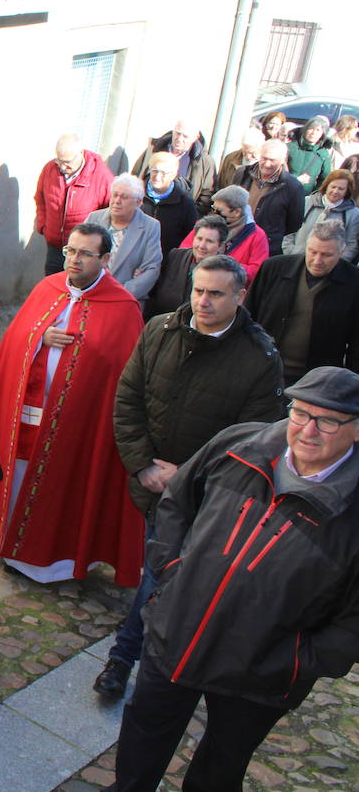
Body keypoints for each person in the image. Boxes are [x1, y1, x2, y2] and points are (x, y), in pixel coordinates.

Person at [108, 366, 359, 792]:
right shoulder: (241, 444)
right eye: (300, 412)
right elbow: (176, 501)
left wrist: (296, 660)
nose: (308, 430)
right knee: (144, 735)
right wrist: (170, 577)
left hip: (261, 669)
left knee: (221, 766)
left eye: (328, 421)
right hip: (180, 632)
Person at [96, 255, 284, 700]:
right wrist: (142, 463)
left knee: (161, 576)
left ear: (240, 296)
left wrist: (188, 478)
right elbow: (129, 399)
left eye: (216, 293)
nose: (203, 301)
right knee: (161, 574)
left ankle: (125, 660)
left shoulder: (260, 358)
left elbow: (254, 441)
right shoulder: (160, 330)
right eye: (198, 290)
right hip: (153, 479)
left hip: (206, 494)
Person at [0, 223, 144, 587]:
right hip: (27, 409)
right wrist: (39, 338)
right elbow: (12, 343)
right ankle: (8, 545)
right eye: (70, 251)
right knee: (17, 475)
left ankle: (52, 563)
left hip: (76, 423)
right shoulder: (47, 288)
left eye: (85, 254)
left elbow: (122, 372)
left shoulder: (122, 307)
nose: (74, 260)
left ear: (105, 258)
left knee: (60, 489)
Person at [246, 220, 359, 384]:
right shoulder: (274, 268)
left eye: (327, 255)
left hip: (317, 380)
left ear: (342, 252)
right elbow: (247, 316)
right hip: (263, 368)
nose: (317, 261)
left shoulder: (353, 283)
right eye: (312, 252)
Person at [33, 134, 113, 276]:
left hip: (83, 249)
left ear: (81, 153)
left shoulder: (101, 176)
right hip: (55, 245)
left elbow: (109, 212)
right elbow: (40, 199)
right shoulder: (50, 169)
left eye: (67, 162)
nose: (63, 167)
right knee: (51, 282)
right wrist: (43, 226)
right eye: (59, 161)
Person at [85, 175, 163, 303]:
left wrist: (118, 293)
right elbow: (76, 253)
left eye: (124, 197)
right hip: (89, 293)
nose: (117, 200)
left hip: (126, 299)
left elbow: (151, 268)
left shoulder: (150, 226)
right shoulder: (93, 218)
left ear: (138, 202)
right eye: (115, 195)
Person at [177, 185, 270, 282]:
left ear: (237, 212)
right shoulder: (203, 225)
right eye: (213, 209)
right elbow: (184, 251)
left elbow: (258, 271)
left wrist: (223, 265)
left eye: (219, 211)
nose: (214, 214)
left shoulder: (257, 235)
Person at [145, 215, 228, 319]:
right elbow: (155, 290)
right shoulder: (176, 256)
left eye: (209, 241)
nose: (202, 245)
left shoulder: (225, 273)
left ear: (221, 246)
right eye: (199, 239)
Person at [130, 118, 218, 216]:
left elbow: (207, 196)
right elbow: (135, 176)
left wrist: (191, 216)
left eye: (185, 136)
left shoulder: (205, 162)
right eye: (177, 133)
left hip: (179, 218)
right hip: (144, 211)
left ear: (196, 137)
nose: (179, 139)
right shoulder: (153, 149)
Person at [240, 139, 305, 255]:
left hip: (267, 248)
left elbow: (294, 224)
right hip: (238, 240)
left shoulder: (293, 187)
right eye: (264, 158)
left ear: (282, 160)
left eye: (272, 160)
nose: (267, 164)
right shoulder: (243, 174)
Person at [283, 168, 359, 261]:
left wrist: (334, 263)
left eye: (341, 189)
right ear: (327, 185)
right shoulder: (306, 202)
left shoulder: (352, 214)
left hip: (327, 268)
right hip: (295, 259)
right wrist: (290, 252)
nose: (335, 191)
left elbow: (351, 245)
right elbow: (289, 229)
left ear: (347, 191)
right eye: (333, 187)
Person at [140, 151, 199, 255]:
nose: (157, 176)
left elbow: (189, 238)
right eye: (155, 171)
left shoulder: (185, 204)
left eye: (163, 173)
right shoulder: (136, 194)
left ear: (173, 175)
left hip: (166, 263)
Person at [287, 114, 333, 191]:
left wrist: (315, 195)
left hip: (306, 197)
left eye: (318, 130)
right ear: (305, 130)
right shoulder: (290, 147)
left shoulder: (323, 154)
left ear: (322, 134)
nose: (313, 133)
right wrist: (295, 180)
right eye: (311, 129)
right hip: (285, 191)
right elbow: (278, 171)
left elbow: (325, 179)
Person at [218, 127, 265, 198]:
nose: (248, 157)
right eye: (244, 152)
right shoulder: (230, 158)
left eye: (252, 153)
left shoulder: (266, 165)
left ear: (261, 149)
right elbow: (220, 184)